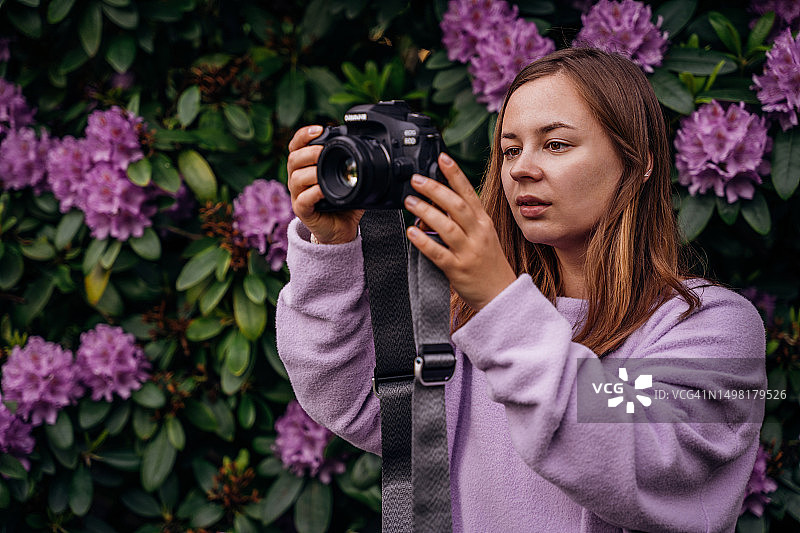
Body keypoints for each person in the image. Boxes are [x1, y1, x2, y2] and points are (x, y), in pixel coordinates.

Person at [277, 48, 766, 532]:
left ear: (640, 163)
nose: (521, 169)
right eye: (510, 149)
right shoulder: (466, 319)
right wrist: (332, 244)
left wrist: (498, 303)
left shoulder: (710, 328)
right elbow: (355, 399)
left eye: (555, 144)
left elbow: (631, 457)